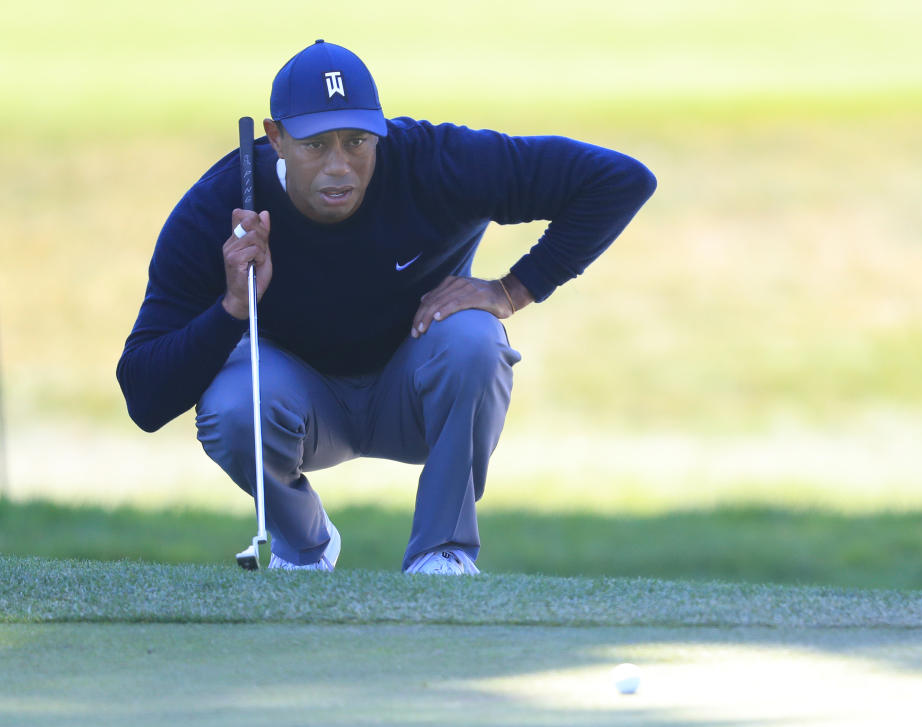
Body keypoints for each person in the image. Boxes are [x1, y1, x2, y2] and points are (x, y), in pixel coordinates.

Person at [116, 40, 656, 574]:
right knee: (233, 401)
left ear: (381, 131)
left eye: (356, 141)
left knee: (475, 339)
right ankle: (304, 549)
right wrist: (232, 307)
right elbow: (144, 395)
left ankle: (441, 555)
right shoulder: (221, 206)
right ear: (276, 138)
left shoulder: (436, 162)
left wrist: (512, 290)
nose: (340, 166)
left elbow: (620, 180)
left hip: (415, 390)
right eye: (316, 145)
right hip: (301, 406)